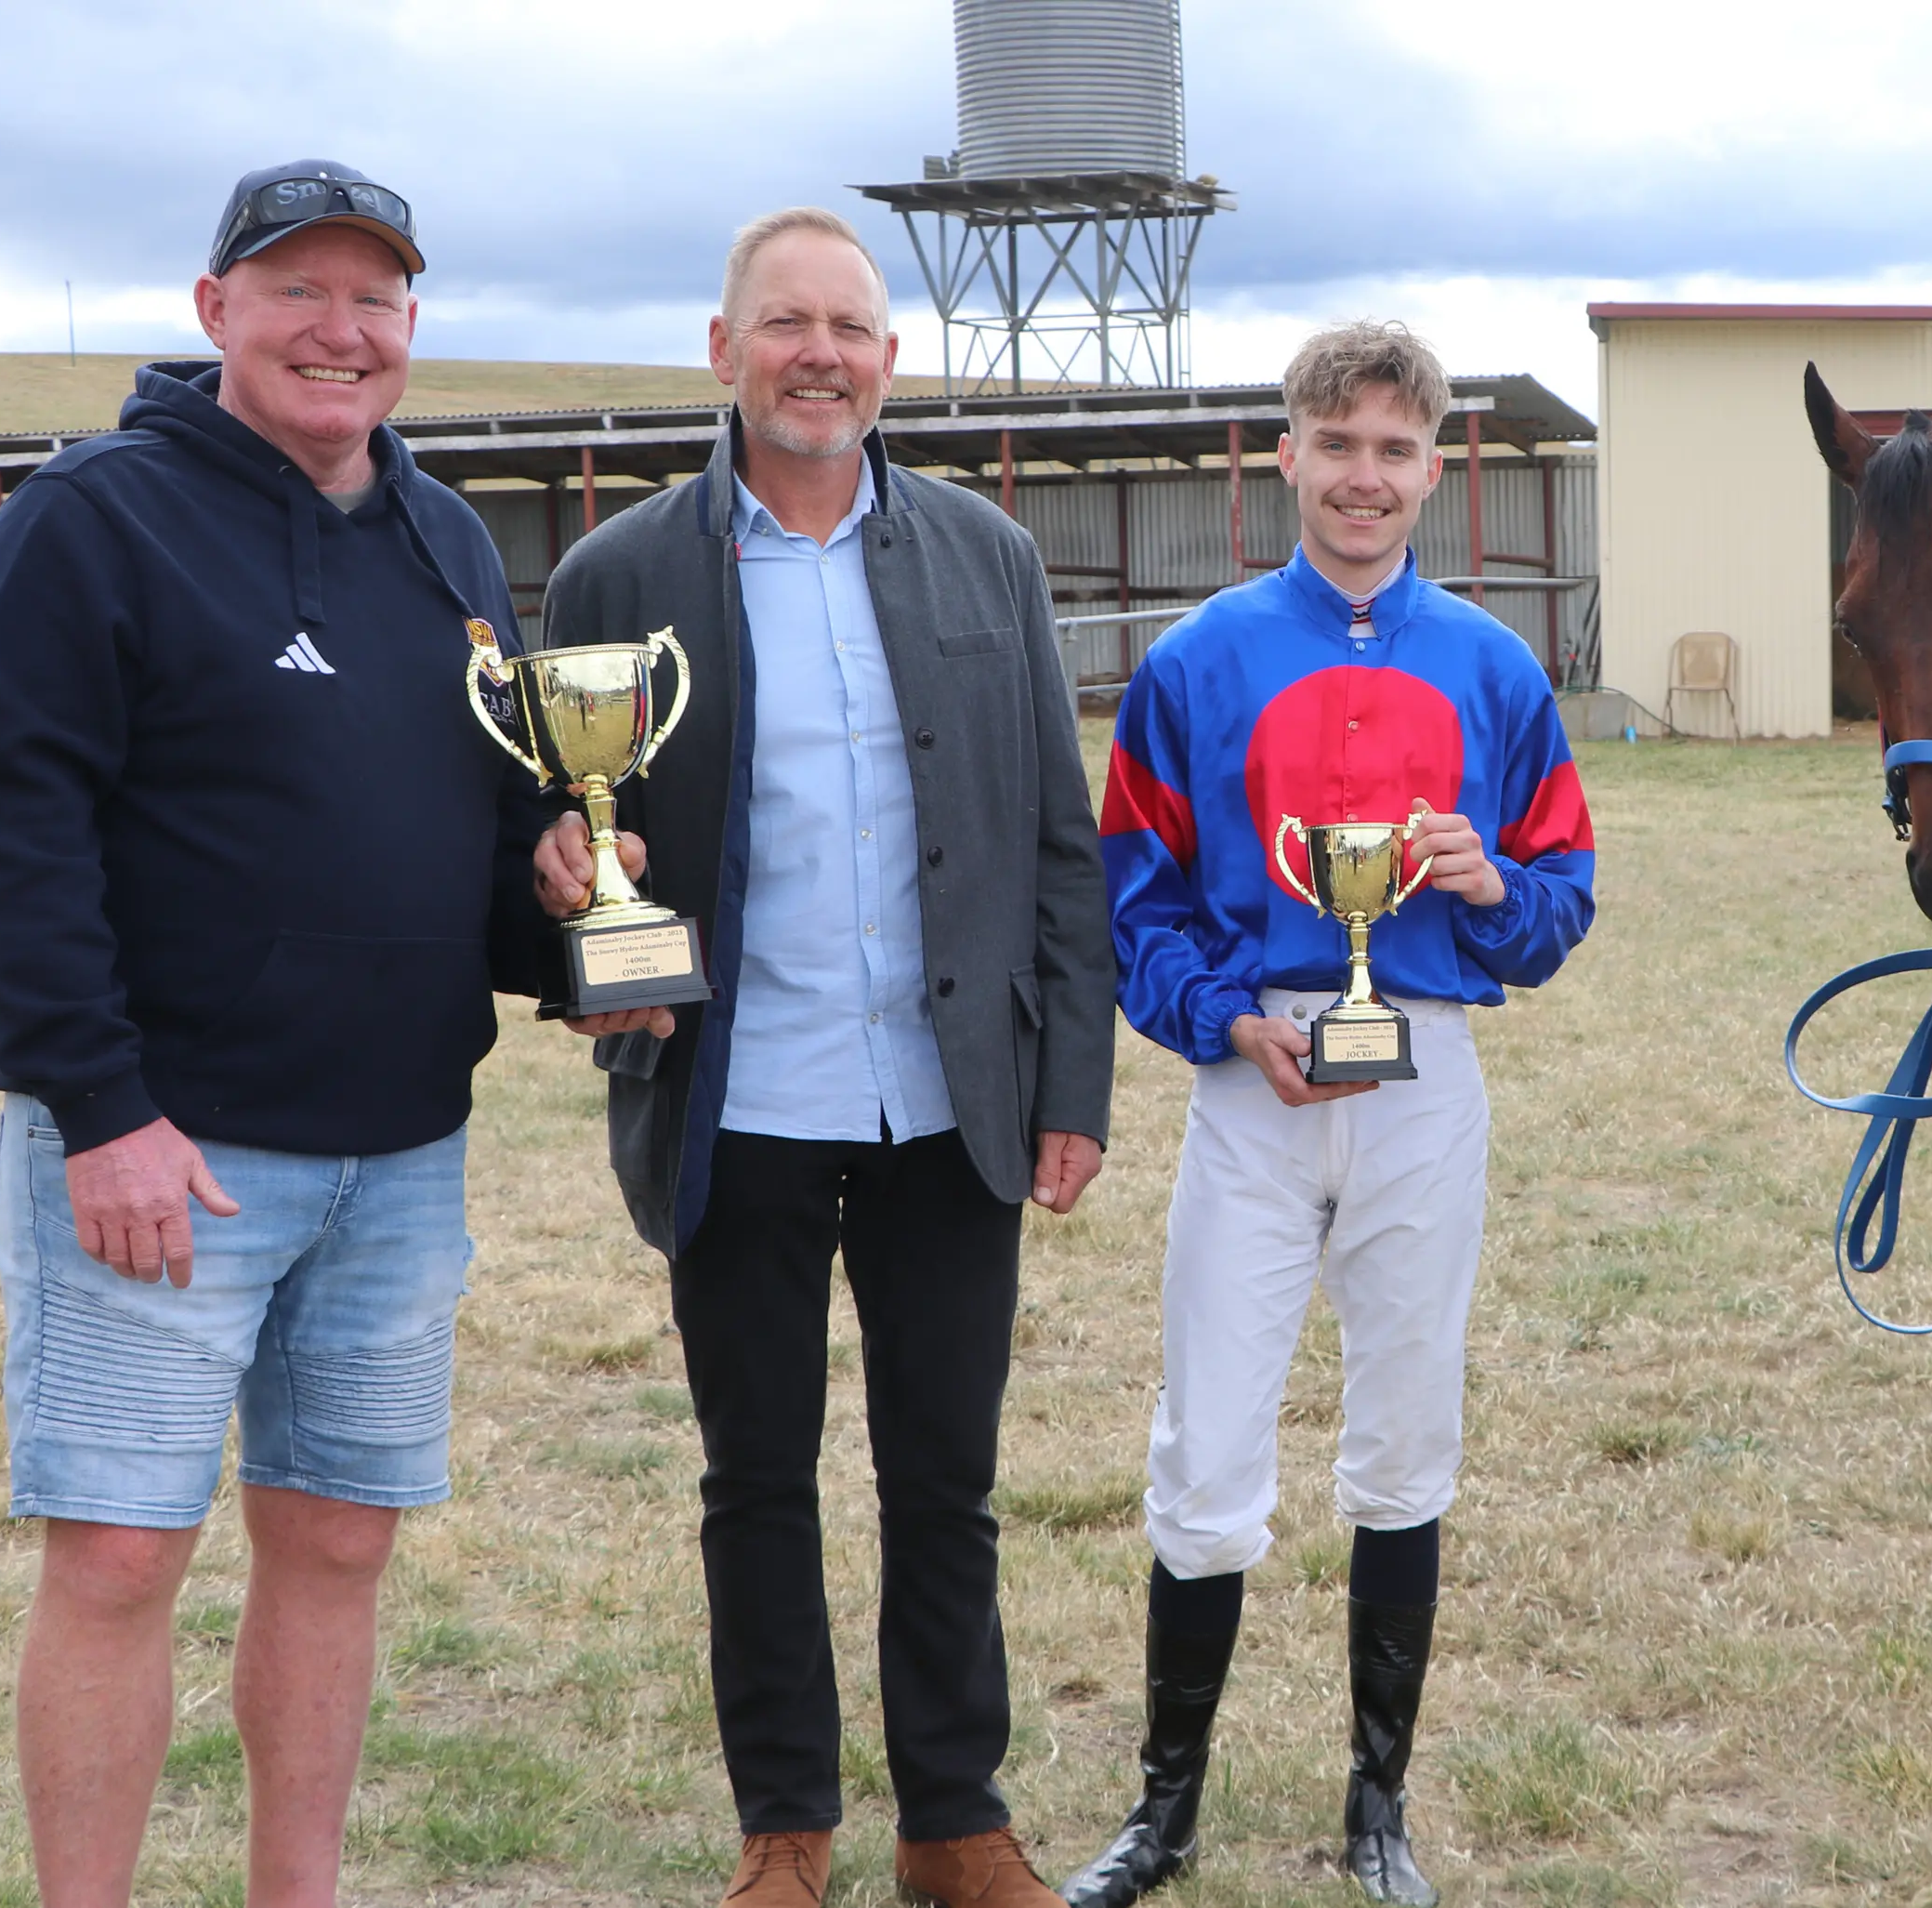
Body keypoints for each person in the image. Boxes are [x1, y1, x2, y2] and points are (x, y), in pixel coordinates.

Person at [0, 161, 543, 1907]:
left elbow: (488, 831)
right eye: (298, 292)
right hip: (165, 1157)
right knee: (121, 1560)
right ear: (217, 315)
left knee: (340, 1542)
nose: (339, 331)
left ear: (412, 326)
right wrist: (101, 1108)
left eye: (375, 298)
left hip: (401, 1156)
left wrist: (571, 915)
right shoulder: (91, 518)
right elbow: (5, 832)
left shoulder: (447, 542)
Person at [522, 206, 1112, 1908]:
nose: (821, 355)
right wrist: (573, 912)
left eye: (850, 327)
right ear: (724, 353)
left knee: (949, 1481)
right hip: (739, 1104)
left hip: (948, 1104)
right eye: (785, 324)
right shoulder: (618, 576)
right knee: (755, 1479)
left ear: (890, 361)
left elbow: (1056, 845)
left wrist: (1070, 1082)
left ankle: (954, 1820)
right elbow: (564, 843)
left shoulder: (987, 557)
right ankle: (786, 1825)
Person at [1061, 321, 1597, 1908]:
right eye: (1337, 444)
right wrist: (1224, 1017)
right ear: (1283, 457)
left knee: (1406, 1437)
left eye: (1396, 449)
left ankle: (1378, 1808)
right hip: (1256, 1081)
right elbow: (1132, 901)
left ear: (1438, 469)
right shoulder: (1196, 663)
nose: (1366, 477)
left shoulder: (1495, 670)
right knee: (1208, 1445)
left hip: (1425, 1069)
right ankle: (1165, 1814)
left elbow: (1560, 901)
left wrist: (1494, 883)